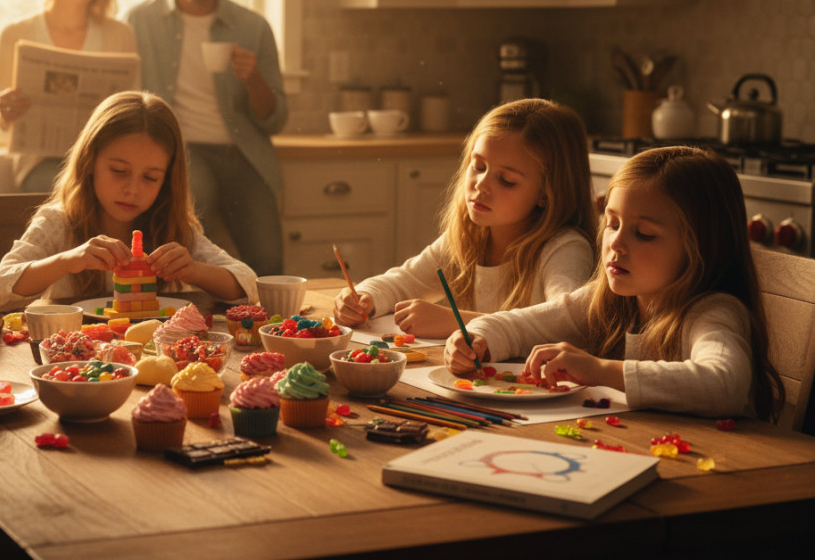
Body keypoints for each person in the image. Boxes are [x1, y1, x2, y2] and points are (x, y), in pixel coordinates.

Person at [445, 146, 784, 419]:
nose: (616, 244)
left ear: (701, 248)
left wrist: (600, 370)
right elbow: (525, 324)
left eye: (644, 234)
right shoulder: (605, 300)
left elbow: (724, 384)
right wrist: (478, 337)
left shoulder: (714, 312)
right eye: (612, 224)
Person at [334, 98, 598, 338]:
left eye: (506, 180)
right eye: (479, 166)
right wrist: (364, 297)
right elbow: (404, 282)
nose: (481, 185)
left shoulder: (565, 249)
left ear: (546, 193)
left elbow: (567, 324)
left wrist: (457, 322)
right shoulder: (469, 237)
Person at [125, 0, 287, 276]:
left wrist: (253, 79)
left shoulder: (252, 27)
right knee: (198, 246)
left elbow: (275, 119)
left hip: (243, 154)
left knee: (268, 259)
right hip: (181, 151)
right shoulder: (137, 21)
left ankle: (264, 314)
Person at [0, 90, 256, 311]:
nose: (132, 189)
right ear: (90, 161)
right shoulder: (57, 223)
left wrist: (194, 271)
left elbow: (251, 286)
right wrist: (67, 261)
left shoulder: (172, 226)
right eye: (119, 171)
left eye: (150, 177)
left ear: (166, 181)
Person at [0, 0, 138, 192]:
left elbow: (132, 117)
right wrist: (5, 118)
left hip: (102, 162)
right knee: (68, 189)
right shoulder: (14, 35)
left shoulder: (120, 35)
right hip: (41, 167)